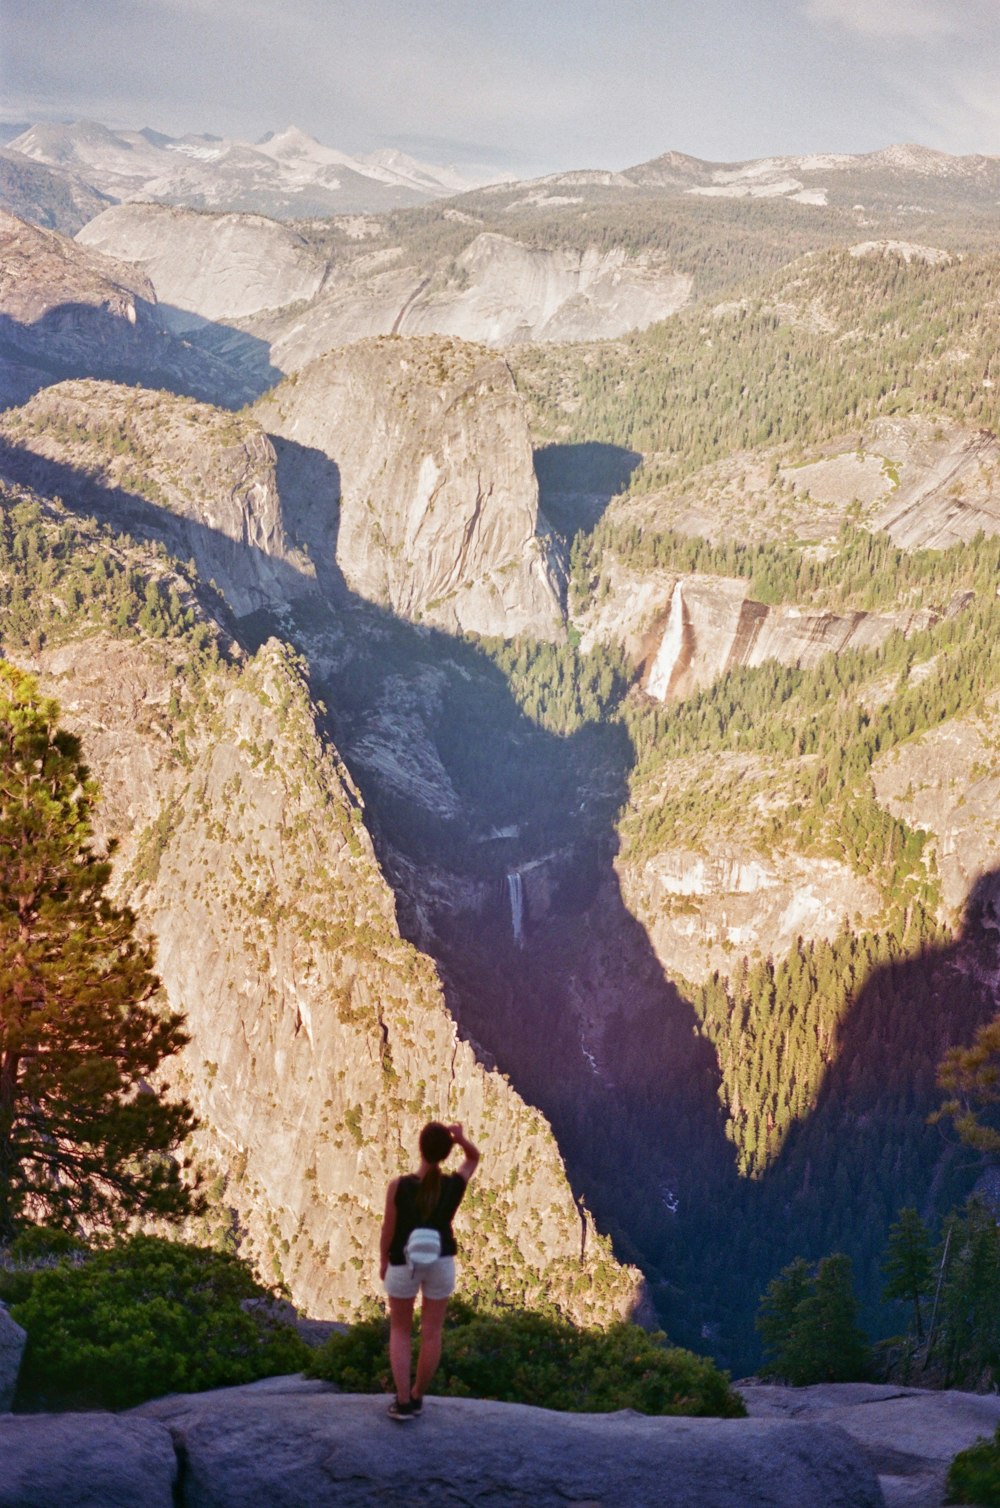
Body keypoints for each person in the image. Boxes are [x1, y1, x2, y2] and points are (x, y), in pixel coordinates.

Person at [380, 1119, 480, 1420]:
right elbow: (473, 1158)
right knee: (432, 1334)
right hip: (441, 1261)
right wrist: (461, 1139)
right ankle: (418, 1396)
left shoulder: (399, 1186)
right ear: (446, 1153)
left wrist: (383, 1260)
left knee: (400, 1330)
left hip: (402, 1261)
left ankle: (402, 1402)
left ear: (420, 1148)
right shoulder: (452, 1186)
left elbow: (389, 1227)